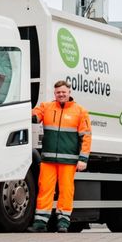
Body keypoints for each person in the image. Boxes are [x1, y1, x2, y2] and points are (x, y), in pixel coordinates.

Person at [29, 80, 92, 233]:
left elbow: (86, 137)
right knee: (45, 189)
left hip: (68, 160)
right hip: (48, 160)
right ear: (54, 94)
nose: (61, 94)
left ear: (69, 92)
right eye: (58, 92)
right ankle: (40, 223)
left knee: (66, 191)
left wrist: (83, 159)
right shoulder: (46, 107)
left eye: (64, 92)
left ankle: (63, 223)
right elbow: (34, 116)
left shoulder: (80, 111)